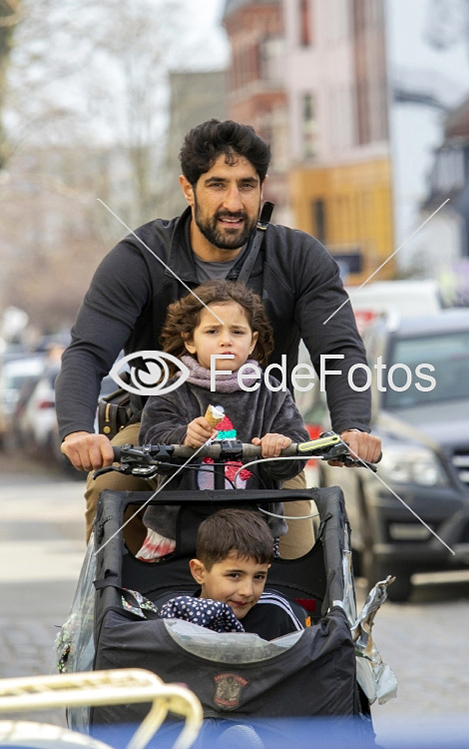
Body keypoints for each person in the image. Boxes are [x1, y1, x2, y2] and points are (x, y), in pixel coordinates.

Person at [55, 118, 381, 555]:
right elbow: (87, 352)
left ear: (262, 189)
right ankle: (109, 616)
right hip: (159, 433)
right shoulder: (140, 257)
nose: (234, 201)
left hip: (266, 438)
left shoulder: (299, 257)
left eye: (246, 185)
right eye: (217, 185)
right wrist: (78, 430)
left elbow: (339, 350)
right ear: (188, 190)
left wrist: (353, 427)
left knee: (308, 563)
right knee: (110, 489)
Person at [135, 279, 310, 562]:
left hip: (257, 532)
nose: (226, 340)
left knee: (266, 594)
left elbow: (296, 452)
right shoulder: (171, 391)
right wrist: (182, 437)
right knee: (159, 596)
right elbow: (151, 441)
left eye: (237, 331)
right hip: (177, 532)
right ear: (189, 340)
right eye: (213, 331)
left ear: (252, 341)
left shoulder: (271, 392)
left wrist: (282, 445)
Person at [159, 508, 309, 640]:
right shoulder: (175, 616)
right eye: (235, 575)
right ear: (200, 572)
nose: (247, 591)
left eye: (259, 577)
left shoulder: (277, 612)